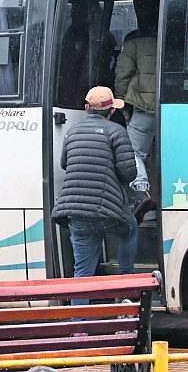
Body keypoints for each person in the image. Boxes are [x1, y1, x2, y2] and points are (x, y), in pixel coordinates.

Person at [51, 86, 138, 307]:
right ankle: (125, 287)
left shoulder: (72, 131)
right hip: (108, 212)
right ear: (111, 111)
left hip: (75, 213)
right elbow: (129, 173)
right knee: (130, 229)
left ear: (87, 108)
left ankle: (79, 327)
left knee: (82, 272)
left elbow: (65, 163)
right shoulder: (117, 131)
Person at [114, 0, 159, 219]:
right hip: (169, 107)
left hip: (142, 107)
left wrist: (121, 104)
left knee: (134, 152)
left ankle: (141, 191)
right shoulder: (169, 38)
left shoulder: (133, 42)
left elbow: (122, 75)